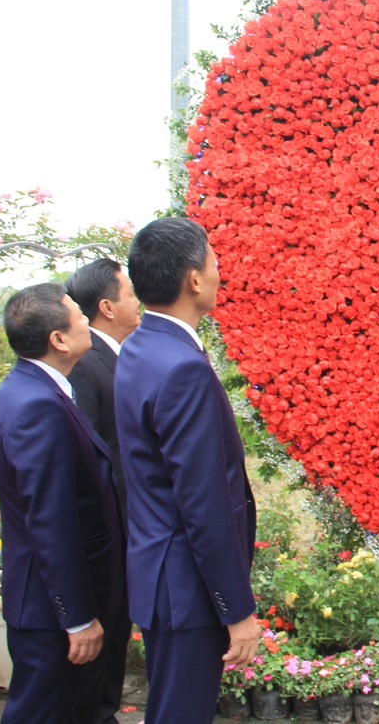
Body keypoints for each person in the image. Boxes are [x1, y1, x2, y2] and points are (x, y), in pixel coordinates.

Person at [114, 217, 259, 722]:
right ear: (194, 280)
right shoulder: (182, 366)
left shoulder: (141, 346)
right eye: (214, 262)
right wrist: (236, 610)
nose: (220, 272)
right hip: (187, 586)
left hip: (161, 574)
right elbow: (203, 501)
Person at [0, 283, 123, 723]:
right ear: (58, 339)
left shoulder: (36, 390)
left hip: (55, 601)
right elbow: (50, 520)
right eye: (78, 317)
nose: (87, 320)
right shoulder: (36, 406)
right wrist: (78, 618)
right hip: (50, 609)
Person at [64, 258, 141, 723]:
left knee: (116, 636)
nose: (138, 302)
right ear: (108, 306)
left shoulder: (116, 357)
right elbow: (88, 460)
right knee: (102, 644)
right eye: (130, 293)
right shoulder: (86, 367)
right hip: (107, 535)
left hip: (126, 531)